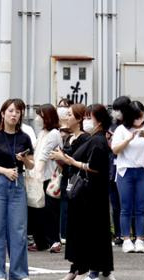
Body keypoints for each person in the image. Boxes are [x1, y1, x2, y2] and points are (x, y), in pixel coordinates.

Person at [51, 104, 117, 280]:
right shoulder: (98, 139)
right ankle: (106, 273)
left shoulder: (96, 140)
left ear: (99, 120)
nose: (86, 120)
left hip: (93, 194)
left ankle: (95, 274)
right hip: (95, 193)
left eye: (90, 117)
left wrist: (72, 162)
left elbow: (95, 167)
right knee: (100, 233)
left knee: (94, 233)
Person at [0, 98, 35, 280]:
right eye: (11, 111)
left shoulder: (24, 137)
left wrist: (24, 159)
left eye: (18, 112)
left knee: (18, 229)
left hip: (17, 184)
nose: (14, 114)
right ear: (3, 113)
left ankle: (19, 272)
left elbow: (32, 164)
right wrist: (4, 171)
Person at [112, 101, 144, 253]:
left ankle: (140, 239)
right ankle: (126, 239)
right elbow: (115, 149)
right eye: (136, 117)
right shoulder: (121, 129)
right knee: (125, 207)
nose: (139, 119)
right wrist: (128, 139)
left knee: (141, 207)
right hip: (125, 171)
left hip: (143, 171)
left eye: (141, 115)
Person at [54, 104, 90, 265]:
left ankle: (79, 267)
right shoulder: (69, 138)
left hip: (79, 183)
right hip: (67, 180)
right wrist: (59, 159)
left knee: (78, 226)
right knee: (70, 224)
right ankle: (73, 267)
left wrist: (64, 158)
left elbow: (82, 162)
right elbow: (66, 164)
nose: (66, 117)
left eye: (69, 115)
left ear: (79, 118)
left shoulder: (85, 138)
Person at [27, 104, 63, 253]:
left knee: (50, 211)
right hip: (39, 176)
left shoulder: (54, 133)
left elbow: (44, 155)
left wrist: (36, 172)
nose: (37, 118)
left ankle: (54, 241)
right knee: (37, 210)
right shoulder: (43, 132)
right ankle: (41, 241)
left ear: (47, 117)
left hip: (48, 178)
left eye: (40, 115)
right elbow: (35, 149)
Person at [108, 96, 130, 246]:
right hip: (112, 168)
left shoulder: (132, 126)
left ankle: (129, 233)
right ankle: (118, 233)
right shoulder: (112, 125)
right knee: (115, 204)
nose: (116, 113)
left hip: (126, 167)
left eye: (119, 109)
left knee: (128, 203)